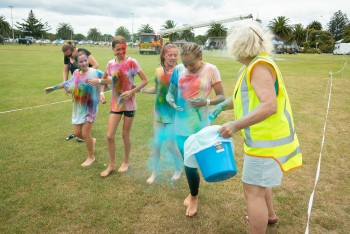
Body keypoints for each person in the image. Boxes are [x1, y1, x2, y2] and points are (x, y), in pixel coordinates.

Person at [210, 21, 302, 234]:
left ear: (239, 45)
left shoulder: (259, 67)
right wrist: (220, 106)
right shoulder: (252, 66)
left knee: (253, 190)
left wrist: (235, 124)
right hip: (263, 141)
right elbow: (245, 99)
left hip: (266, 142)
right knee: (260, 185)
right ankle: (269, 215)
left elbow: (269, 105)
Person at [166, 42, 225, 216]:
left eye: (191, 64)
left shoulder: (211, 70)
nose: (188, 68)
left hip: (200, 126)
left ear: (200, 58)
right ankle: (194, 194)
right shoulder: (178, 70)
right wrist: (170, 99)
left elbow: (222, 96)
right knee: (188, 163)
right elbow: (171, 92)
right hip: (180, 125)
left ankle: (193, 196)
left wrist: (206, 102)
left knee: (194, 163)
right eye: (185, 64)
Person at [97, 36, 148, 177]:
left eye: (123, 48)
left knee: (125, 134)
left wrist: (132, 92)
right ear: (113, 50)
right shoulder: (110, 64)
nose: (121, 51)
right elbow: (105, 80)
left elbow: (145, 81)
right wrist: (101, 93)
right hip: (115, 104)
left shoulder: (132, 62)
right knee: (109, 136)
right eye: (118, 49)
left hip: (130, 105)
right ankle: (111, 165)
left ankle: (126, 161)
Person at [44, 51, 105, 167]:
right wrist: (53, 88)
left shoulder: (95, 72)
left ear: (88, 60)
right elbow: (68, 83)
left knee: (85, 133)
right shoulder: (76, 73)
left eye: (85, 60)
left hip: (90, 108)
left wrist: (100, 83)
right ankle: (92, 141)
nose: (84, 63)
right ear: (77, 63)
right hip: (78, 108)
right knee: (78, 134)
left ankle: (91, 157)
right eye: (81, 61)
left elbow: (109, 78)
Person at [139, 42, 183, 184]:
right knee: (157, 144)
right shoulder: (158, 71)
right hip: (159, 113)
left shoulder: (180, 71)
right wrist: (141, 89)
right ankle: (154, 172)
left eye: (175, 55)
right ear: (164, 55)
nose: (173, 57)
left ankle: (178, 169)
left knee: (170, 145)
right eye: (170, 55)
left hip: (173, 115)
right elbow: (157, 89)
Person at [61, 40, 99, 142]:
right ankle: (81, 132)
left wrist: (85, 75)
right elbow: (65, 70)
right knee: (78, 106)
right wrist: (65, 84)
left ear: (74, 50)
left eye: (69, 55)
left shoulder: (83, 52)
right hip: (76, 85)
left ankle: (85, 133)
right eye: (66, 56)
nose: (68, 57)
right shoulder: (67, 55)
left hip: (87, 85)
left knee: (86, 107)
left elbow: (95, 65)